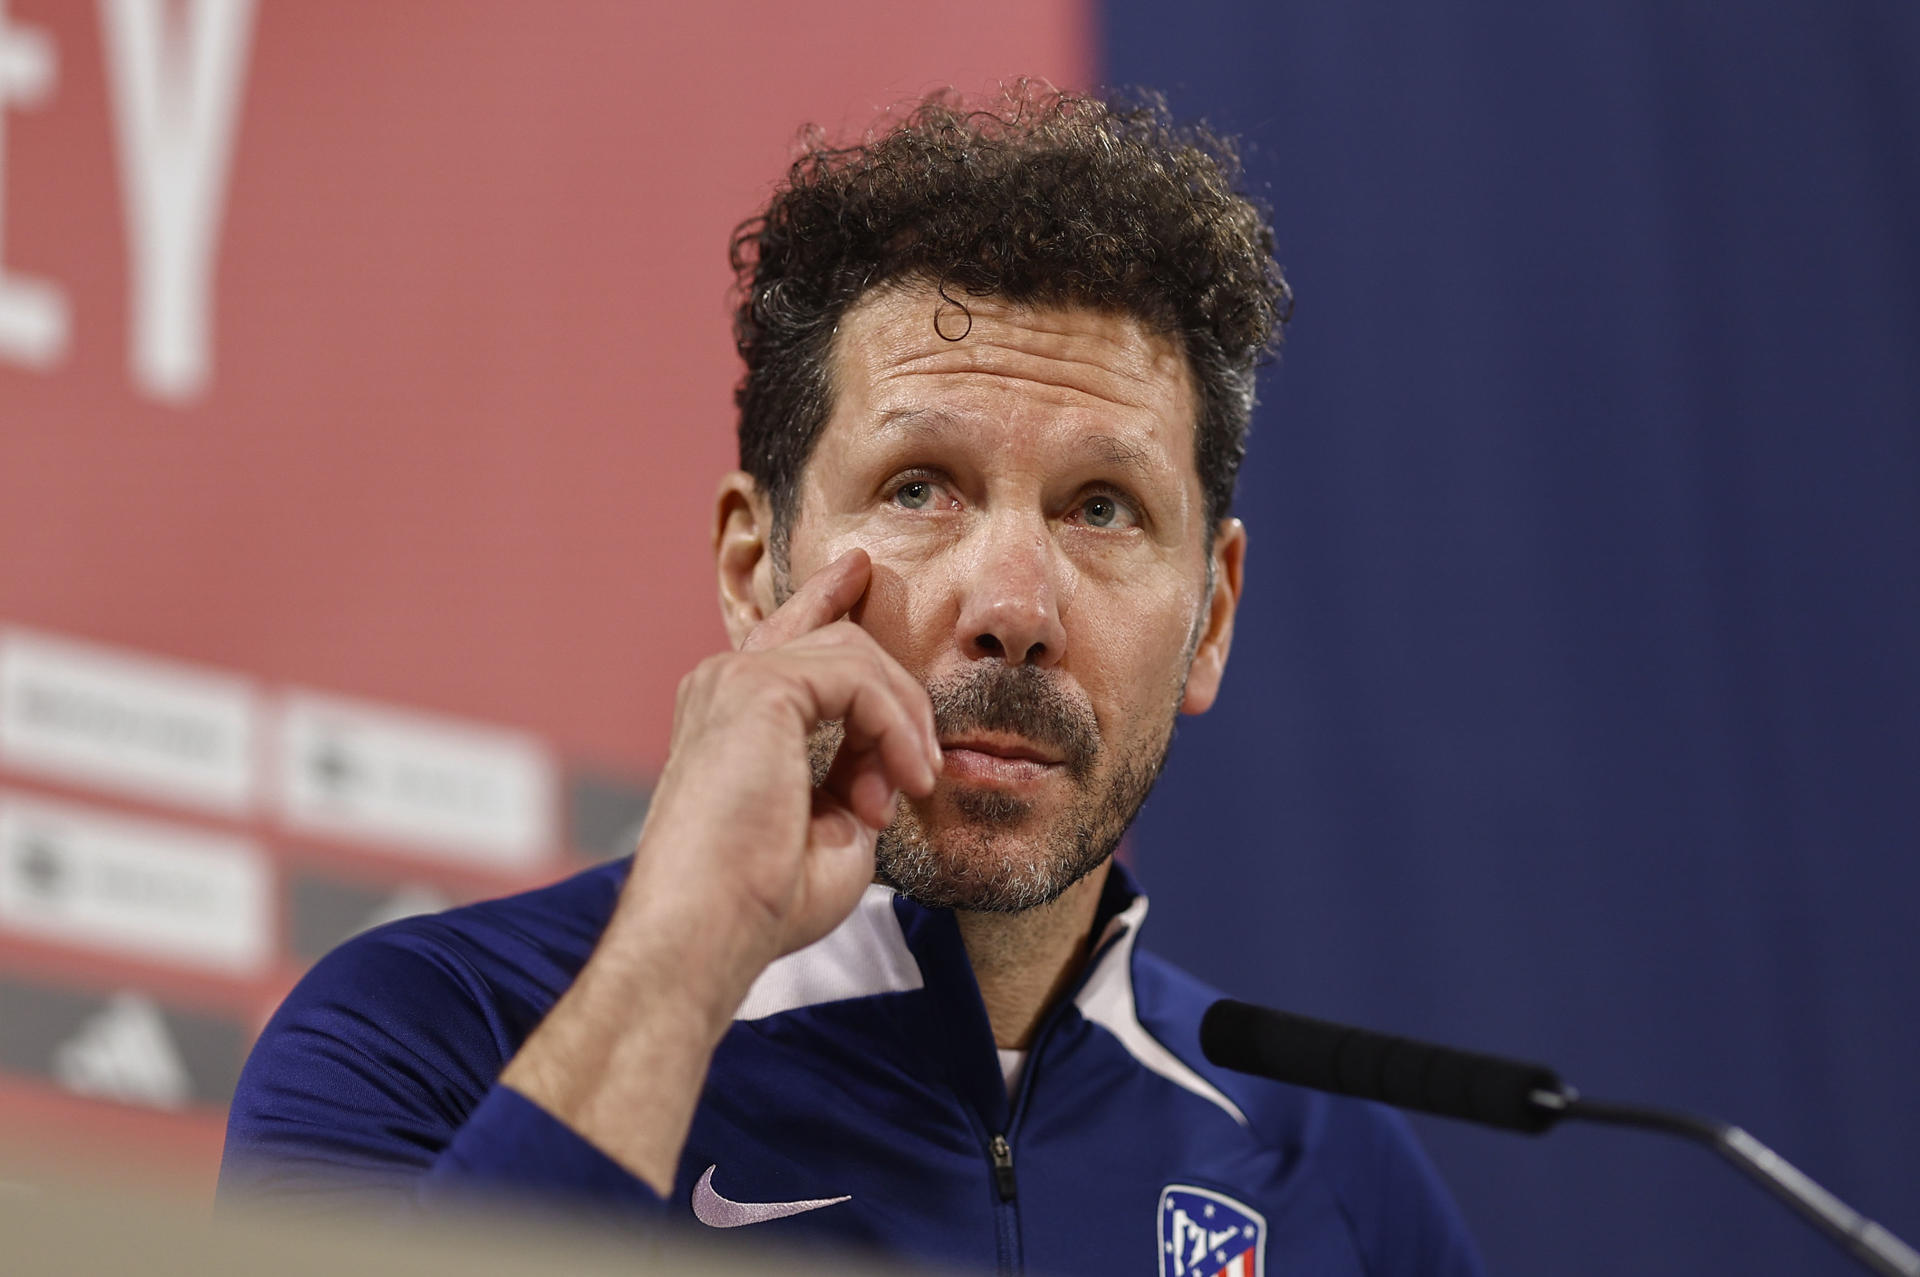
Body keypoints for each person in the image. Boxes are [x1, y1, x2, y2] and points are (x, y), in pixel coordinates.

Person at [220, 85, 1485, 1276]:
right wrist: (685, 954)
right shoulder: (424, 1035)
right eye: (919, 487)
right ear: (752, 562)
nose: (1014, 612)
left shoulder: (1340, 1182)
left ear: (1211, 618)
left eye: (1102, 507)